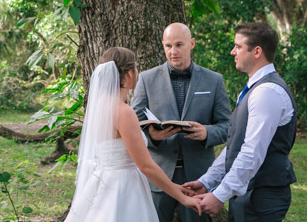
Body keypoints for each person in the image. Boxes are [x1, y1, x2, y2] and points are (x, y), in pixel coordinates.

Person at [65, 47, 201, 222]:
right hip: (124, 188)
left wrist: (174, 186)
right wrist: (182, 198)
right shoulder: (123, 112)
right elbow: (146, 166)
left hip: (102, 183)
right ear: (129, 74)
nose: (138, 72)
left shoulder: (98, 107)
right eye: (136, 68)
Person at [184, 22, 296, 221]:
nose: (232, 52)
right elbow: (235, 145)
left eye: (238, 46)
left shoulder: (267, 92)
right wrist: (208, 181)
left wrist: (219, 195)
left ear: (257, 51)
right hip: (247, 193)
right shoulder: (254, 89)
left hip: (263, 196)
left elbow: (252, 152)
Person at [131, 22, 231, 222]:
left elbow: (228, 127)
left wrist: (207, 133)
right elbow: (133, 125)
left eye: (179, 45)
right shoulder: (146, 79)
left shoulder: (214, 80)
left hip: (199, 177)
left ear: (192, 43)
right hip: (158, 175)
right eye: (168, 46)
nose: (173, 51)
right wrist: (153, 137)